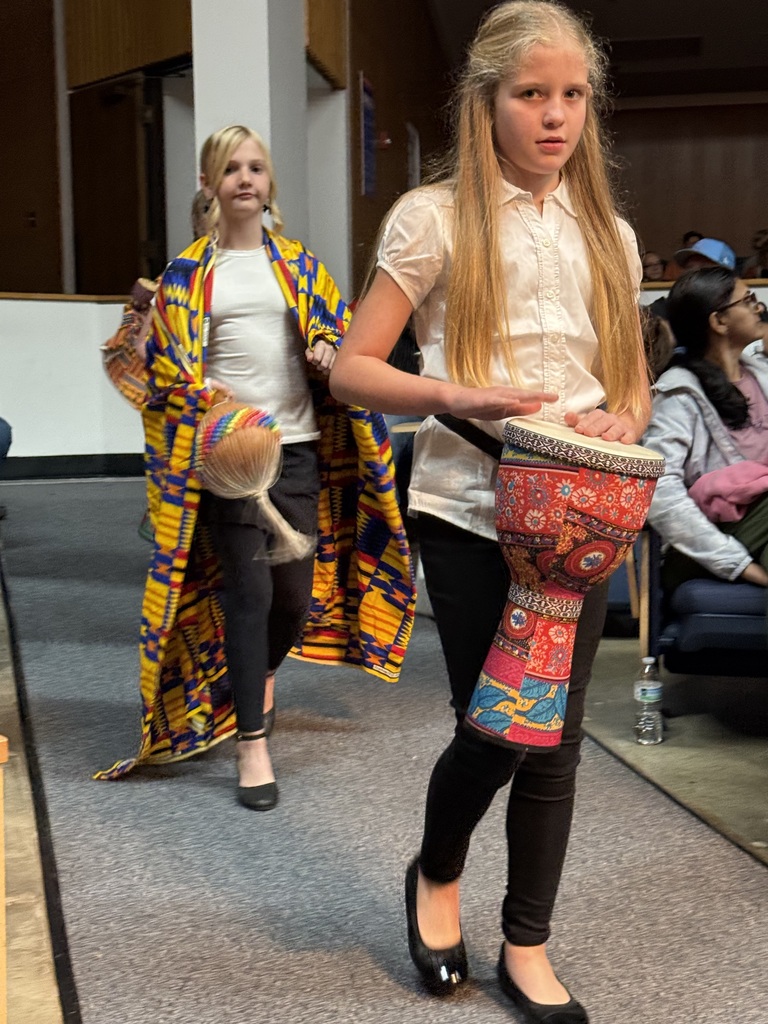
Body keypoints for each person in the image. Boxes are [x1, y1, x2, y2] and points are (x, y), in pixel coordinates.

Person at [330, 3, 649, 1021]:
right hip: (471, 504)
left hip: (581, 515)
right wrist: (451, 395)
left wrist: (617, 416)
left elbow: (635, 384)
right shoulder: (434, 217)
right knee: (498, 728)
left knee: (556, 740)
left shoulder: (611, 232)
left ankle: (528, 940)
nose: (554, 117)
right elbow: (351, 369)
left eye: (571, 96)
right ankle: (436, 872)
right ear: (488, 100)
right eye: (530, 94)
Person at [95, 125, 415, 809]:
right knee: (251, 594)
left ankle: (258, 677)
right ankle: (251, 744)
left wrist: (329, 348)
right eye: (231, 169)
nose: (246, 179)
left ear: (269, 184)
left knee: (294, 597)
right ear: (209, 184)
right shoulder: (187, 275)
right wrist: (193, 381)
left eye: (256, 168)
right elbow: (166, 375)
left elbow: (337, 328)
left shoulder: (299, 265)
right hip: (226, 455)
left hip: (296, 449)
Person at [643, 266, 768, 591]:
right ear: (719, 321)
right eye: (749, 299)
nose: (759, 307)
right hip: (702, 545)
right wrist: (738, 564)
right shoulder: (678, 394)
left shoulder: (761, 376)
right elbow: (661, 492)